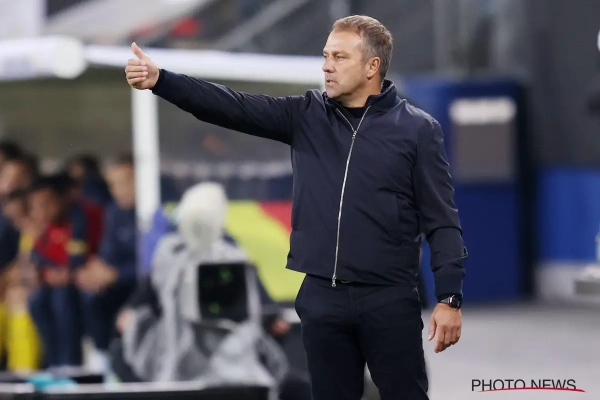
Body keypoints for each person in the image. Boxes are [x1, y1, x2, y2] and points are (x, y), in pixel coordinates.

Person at [125, 15, 467, 400]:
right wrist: (162, 80)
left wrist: (449, 297)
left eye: (339, 57)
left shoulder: (418, 130)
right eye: (325, 56)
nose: (327, 66)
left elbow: (442, 221)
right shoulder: (306, 115)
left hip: (388, 298)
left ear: (372, 66)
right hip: (322, 300)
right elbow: (229, 105)